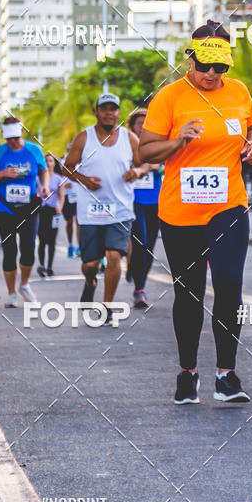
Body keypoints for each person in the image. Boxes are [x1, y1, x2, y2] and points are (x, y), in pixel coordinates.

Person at [139, 21, 252, 405]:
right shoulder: (170, 97)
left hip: (228, 205)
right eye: (205, 65)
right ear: (190, 59)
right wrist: (178, 141)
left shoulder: (239, 92)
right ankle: (187, 371)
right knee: (188, 294)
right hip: (180, 211)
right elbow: (145, 152)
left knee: (228, 283)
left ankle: (226, 375)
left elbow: (251, 128)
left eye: (220, 66)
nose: (211, 74)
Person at [62, 92, 147, 327]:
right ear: (96, 112)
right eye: (105, 108)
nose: (110, 113)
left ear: (119, 112)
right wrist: (83, 179)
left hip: (119, 210)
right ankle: (90, 282)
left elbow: (146, 163)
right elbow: (66, 168)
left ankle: (108, 306)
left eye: (114, 109)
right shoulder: (84, 138)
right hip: (91, 211)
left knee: (113, 257)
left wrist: (137, 172)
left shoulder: (129, 138)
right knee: (90, 264)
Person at [0, 116, 48, 307]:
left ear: (22, 133)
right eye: (9, 138)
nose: (12, 142)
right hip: (5, 209)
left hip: (29, 207)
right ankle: (11, 293)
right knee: (10, 251)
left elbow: (43, 170)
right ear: (4, 136)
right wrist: (3, 174)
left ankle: (25, 285)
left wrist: (44, 186)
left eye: (16, 138)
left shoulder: (34, 150)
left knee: (28, 249)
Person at [127, 109, 162, 309]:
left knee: (150, 247)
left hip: (155, 199)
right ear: (132, 125)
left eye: (145, 122)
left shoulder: (158, 142)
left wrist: (155, 165)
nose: (142, 126)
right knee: (140, 242)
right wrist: (148, 165)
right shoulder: (126, 144)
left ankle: (140, 281)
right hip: (133, 200)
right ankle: (139, 289)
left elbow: (164, 164)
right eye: (139, 123)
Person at [37, 153, 65, 277]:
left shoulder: (59, 179)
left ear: (54, 163)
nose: (48, 163)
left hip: (53, 210)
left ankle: (50, 267)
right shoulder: (38, 178)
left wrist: (60, 206)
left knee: (52, 240)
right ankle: (42, 265)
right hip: (42, 210)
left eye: (51, 161)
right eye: (46, 160)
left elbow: (61, 196)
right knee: (42, 239)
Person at [61, 142, 81, 258]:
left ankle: (79, 245)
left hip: (79, 196)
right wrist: (64, 185)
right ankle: (70, 245)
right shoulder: (63, 163)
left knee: (79, 221)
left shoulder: (81, 163)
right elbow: (59, 179)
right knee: (69, 222)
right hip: (68, 196)